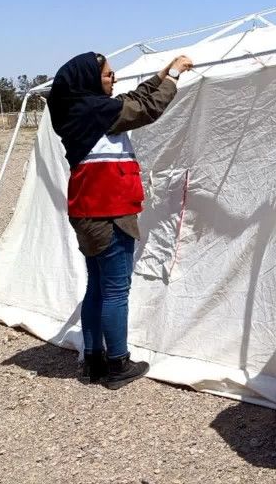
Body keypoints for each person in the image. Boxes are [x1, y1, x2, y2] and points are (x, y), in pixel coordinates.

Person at [47, 51, 192, 389]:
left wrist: (161, 74)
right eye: (108, 75)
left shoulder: (81, 110)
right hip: (108, 215)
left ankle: (94, 359)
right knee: (115, 291)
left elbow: (133, 99)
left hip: (88, 213)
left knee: (97, 286)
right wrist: (174, 77)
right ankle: (118, 364)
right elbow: (146, 108)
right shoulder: (96, 111)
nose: (113, 79)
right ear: (89, 80)